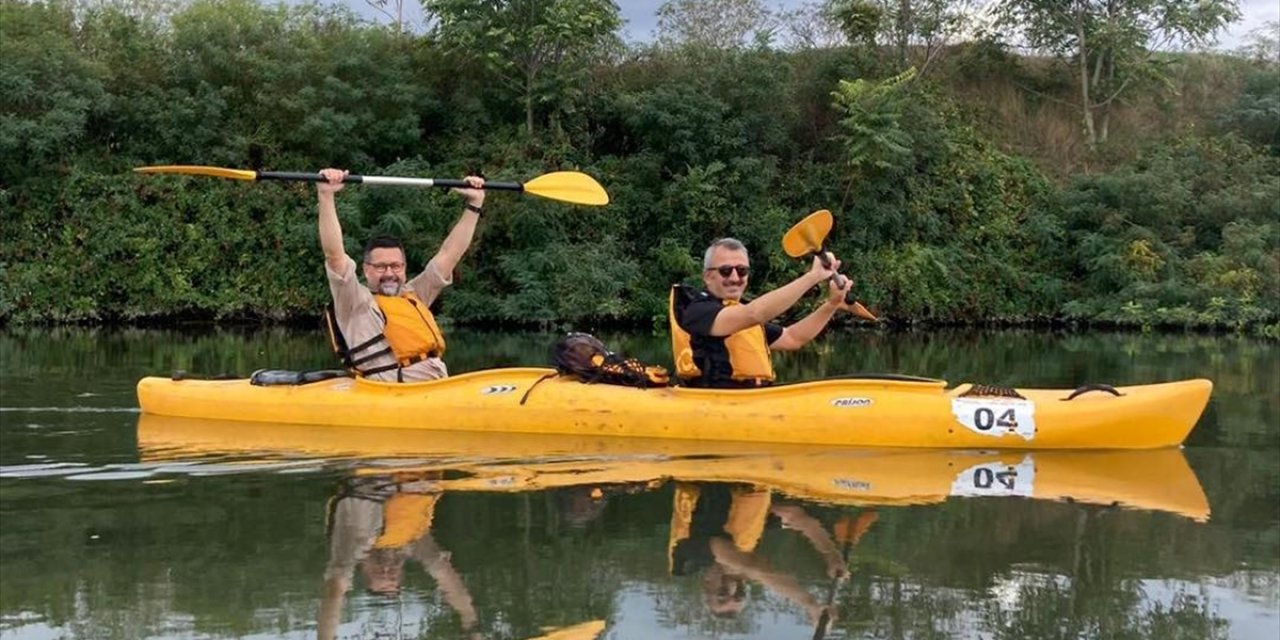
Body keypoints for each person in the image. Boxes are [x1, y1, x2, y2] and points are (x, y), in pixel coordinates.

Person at [316, 168, 485, 382]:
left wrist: (474, 204)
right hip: (397, 391)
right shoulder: (354, 302)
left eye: (396, 266)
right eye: (380, 267)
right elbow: (335, 256)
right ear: (366, 270)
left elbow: (449, 255)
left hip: (437, 386)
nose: (389, 273)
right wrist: (326, 195)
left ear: (404, 268)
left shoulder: (414, 294)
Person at [667, 481, 875, 629]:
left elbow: (754, 567)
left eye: (722, 594)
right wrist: (831, 555)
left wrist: (810, 604)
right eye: (740, 594)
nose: (734, 588)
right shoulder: (747, 533)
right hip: (746, 476)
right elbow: (796, 517)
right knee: (816, 511)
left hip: (711, 470)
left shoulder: (688, 555)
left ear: (706, 584)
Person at [669, 237, 859, 388]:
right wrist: (812, 277)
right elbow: (754, 314)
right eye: (726, 271)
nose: (735, 278)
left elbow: (793, 338)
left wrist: (831, 304)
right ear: (708, 276)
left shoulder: (738, 312)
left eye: (742, 271)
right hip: (716, 402)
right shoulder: (697, 310)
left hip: (756, 399)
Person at [318, 471, 481, 640]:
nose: (387, 567)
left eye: (380, 571)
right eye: (393, 574)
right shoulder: (414, 542)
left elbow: (335, 588)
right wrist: (470, 623)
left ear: (364, 568)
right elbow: (445, 576)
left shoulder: (355, 542)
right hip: (426, 464)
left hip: (382, 463)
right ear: (402, 570)